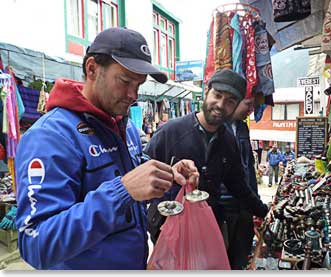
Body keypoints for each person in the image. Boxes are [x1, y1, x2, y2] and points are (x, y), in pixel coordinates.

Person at [15, 27, 199, 270]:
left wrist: (169, 178)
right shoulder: (49, 137)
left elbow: (135, 189)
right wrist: (121, 191)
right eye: (125, 81)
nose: (133, 95)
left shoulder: (125, 125)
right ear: (92, 68)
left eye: (139, 85)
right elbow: (36, 245)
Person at [144, 69, 269, 245]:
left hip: (208, 228)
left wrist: (264, 211)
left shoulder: (228, 141)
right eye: (217, 95)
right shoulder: (171, 131)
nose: (220, 104)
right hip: (168, 228)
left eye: (230, 101)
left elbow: (239, 186)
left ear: (235, 106)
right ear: (206, 92)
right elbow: (142, 173)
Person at [219, 96, 260, 269]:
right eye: (248, 104)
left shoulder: (242, 127)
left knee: (241, 258)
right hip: (223, 207)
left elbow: (248, 168)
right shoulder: (216, 127)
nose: (251, 110)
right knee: (223, 260)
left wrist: (255, 204)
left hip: (244, 205)